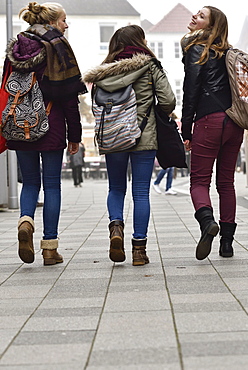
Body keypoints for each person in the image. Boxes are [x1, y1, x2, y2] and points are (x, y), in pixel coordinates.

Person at [83, 25, 175, 266]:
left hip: (113, 137)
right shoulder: (150, 66)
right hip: (144, 136)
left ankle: (115, 227)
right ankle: (139, 250)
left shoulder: (102, 73)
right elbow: (168, 100)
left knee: (116, 188)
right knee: (141, 191)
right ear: (140, 41)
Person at [3, 2, 87, 265]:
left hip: (20, 125)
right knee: (52, 185)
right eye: (64, 20)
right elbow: (69, 95)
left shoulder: (15, 47)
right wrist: (75, 134)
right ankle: (50, 248)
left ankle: (25, 220)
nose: (66, 24)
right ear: (51, 22)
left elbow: (7, 87)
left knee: (29, 182)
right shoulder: (58, 47)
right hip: (51, 123)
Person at [181, 6, 244, 260]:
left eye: (202, 15)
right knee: (226, 183)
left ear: (210, 26)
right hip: (234, 122)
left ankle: (207, 223)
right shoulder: (229, 52)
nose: (195, 16)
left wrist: (186, 128)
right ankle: (227, 244)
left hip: (209, 121)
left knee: (199, 181)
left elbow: (191, 91)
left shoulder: (196, 49)